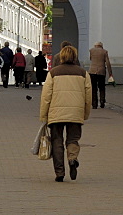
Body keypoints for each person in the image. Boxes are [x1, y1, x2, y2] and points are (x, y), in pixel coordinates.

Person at [38, 44, 92, 182]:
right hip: (75, 113)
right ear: (75, 57)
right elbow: (88, 96)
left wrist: (44, 115)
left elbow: (46, 96)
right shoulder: (83, 73)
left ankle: (59, 172)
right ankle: (72, 159)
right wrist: (85, 113)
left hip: (56, 113)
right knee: (73, 139)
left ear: (61, 56)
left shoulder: (53, 73)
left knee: (57, 141)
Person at [87, 41, 113, 108]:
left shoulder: (91, 50)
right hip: (101, 71)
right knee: (101, 87)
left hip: (92, 71)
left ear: (95, 45)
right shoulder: (104, 51)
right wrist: (110, 73)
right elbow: (107, 63)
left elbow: (90, 59)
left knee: (93, 88)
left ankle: (94, 104)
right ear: (101, 46)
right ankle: (102, 101)